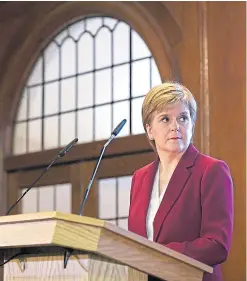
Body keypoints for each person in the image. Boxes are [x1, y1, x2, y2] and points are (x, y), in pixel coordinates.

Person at [128, 81, 233, 281]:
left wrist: (154, 254)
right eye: (165, 119)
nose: (175, 126)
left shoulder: (211, 171)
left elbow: (217, 245)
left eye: (183, 118)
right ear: (150, 130)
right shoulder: (139, 178)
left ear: (192, 124)